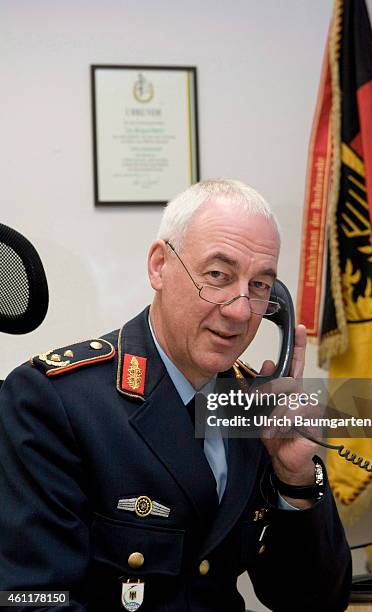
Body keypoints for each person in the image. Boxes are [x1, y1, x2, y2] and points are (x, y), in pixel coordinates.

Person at [0, 179, 351, 611]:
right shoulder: (57, 401)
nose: (241, 310)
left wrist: (293, 478)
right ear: (159, 266)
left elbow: (313, 600)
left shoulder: (251, 408)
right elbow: (29, 599)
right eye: (218, 276)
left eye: (260, 286)